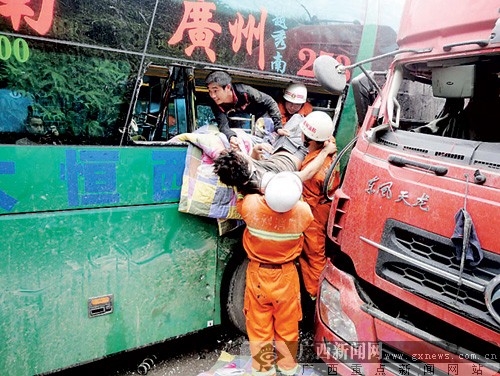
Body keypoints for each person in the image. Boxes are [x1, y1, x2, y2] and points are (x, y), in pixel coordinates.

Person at [237, 171, 313, 376]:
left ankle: (263, 370)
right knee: (287, 325)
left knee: (259, 325)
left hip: (258, 275)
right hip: (287, 276)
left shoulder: (250, 206)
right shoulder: (304, 213)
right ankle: (287, 368)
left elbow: (242, 197)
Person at [297, 111, 340, 302]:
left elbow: (305, 178)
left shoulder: (316, 170)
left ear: (308, 137)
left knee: (313, 256)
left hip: (313, 214)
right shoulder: (330, 147)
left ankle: (317, 297)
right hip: (324, 209)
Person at [213, 137, 336, 196]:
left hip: (277, 151)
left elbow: (252, 164)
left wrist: (255, 151)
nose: (241, 151)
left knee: (294, 121)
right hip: (297, 153)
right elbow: (306, 174)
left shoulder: (241, 177)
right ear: (242, 162)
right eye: (240, 154)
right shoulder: (270, 182)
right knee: (300, 120)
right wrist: (325, 151)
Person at [205, 71, 289, 150]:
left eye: (215, 91)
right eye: (210, 91)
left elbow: (269, 101)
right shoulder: (215, 103)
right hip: (242, 117)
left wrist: (278, 127)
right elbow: (222, 124)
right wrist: (231, 137)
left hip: (262, 115)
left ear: (228, 87)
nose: (212, 95)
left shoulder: (245, 91)